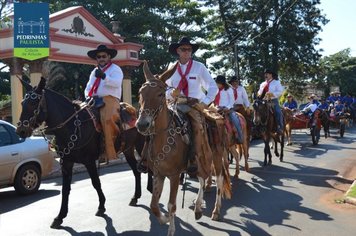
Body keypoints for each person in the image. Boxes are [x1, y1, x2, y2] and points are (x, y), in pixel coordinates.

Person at [166, 37, 218, 177]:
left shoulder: (199, 67)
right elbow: (164, 88)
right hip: (176, 104)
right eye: (183, 49)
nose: (187, 52)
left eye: (189, 49)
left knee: (197, 127)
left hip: (194, 105)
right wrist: (171, 93)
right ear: (178, 51)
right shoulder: (172, 68)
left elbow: (212, 87)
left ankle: (194, 157)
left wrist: (205, 102)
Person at [84, 44, 124, 162]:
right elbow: (88, 87)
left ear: (109, 57)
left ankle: (110, 153)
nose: (101, 58)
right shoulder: (94, 71)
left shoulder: (115, 69)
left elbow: (116, 83)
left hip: (110, 98)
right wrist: (87, 97)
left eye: (104, 56)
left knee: (107, 119)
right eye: (99, 57)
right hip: (93, 99)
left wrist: (104, 77)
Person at [213, 75, 243, 143]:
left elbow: (232, 101)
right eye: (216, 83)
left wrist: (227, 107)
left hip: (228, 109)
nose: (217, 84)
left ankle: (239, 136)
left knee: (235, 120)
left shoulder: (229, 89)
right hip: (217, 109)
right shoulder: (215, 90)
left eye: (218, 83)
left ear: (222, 83)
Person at [257, 69, 284, 133]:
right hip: (263, 101)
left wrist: (272, 94)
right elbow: (259, 91)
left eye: (267, 74)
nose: (266, 75)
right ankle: (257, 126)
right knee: (257, 110)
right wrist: (259, 94)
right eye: (265, 74)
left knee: (278, 111)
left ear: (271, 75)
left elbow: (280, 91)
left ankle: (280, 126)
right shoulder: (262, 84)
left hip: (273, 101)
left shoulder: (276, 82)